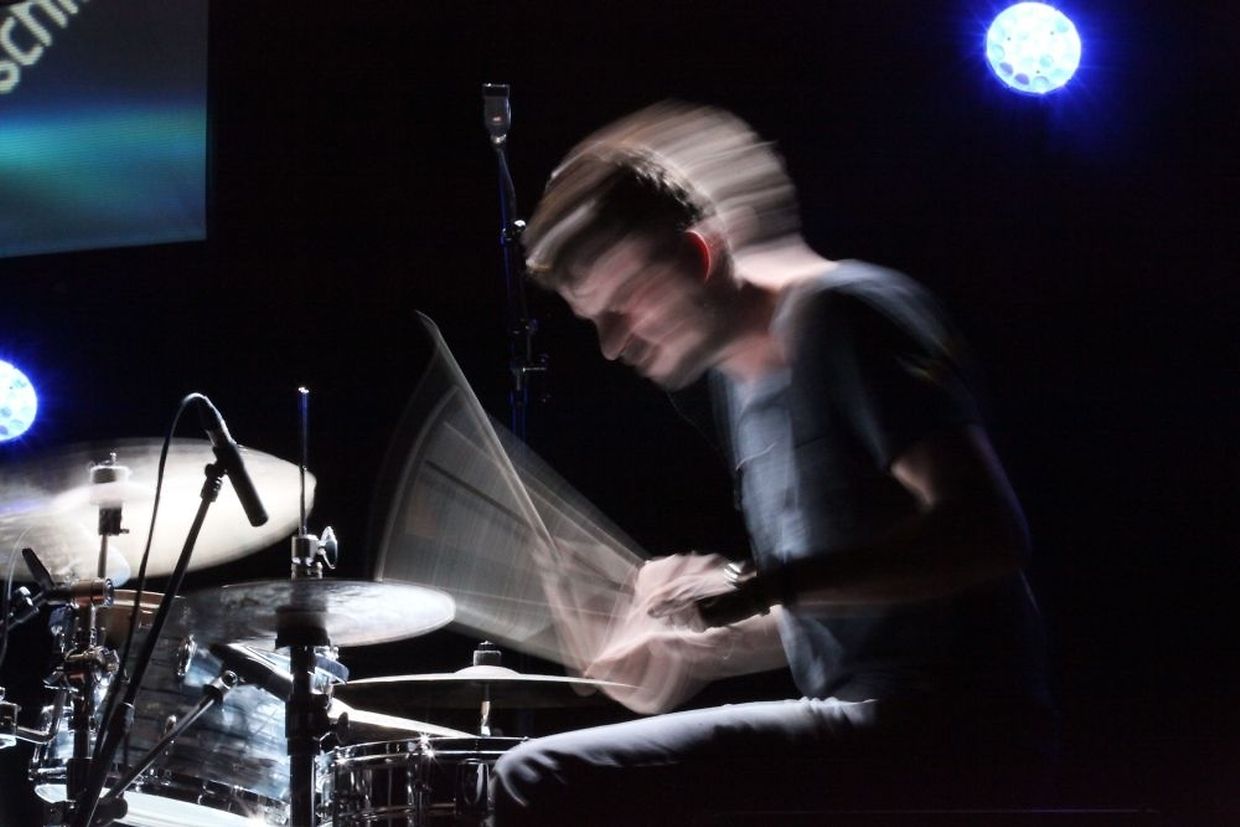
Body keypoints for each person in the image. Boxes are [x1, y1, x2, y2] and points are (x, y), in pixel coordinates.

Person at [490, 103, 1054, 825]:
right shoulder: (739, 386)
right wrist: (697, 646)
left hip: (955, 733)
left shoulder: (844, 314)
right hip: (865, 722)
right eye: (593, 320)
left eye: (624, 304)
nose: (612, 344)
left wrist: (761, 586)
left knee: (537, 775)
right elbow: (850, 610)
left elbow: (987, 533)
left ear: (698, 255)